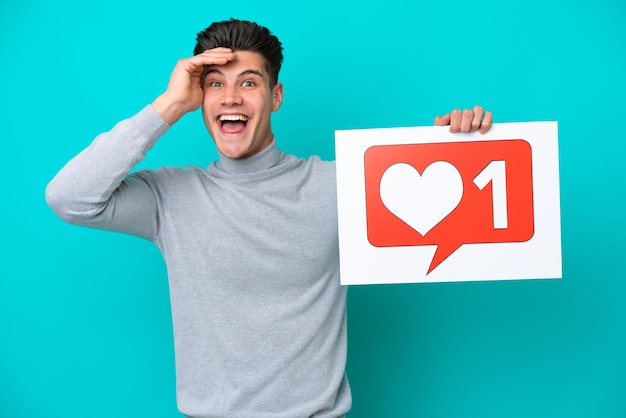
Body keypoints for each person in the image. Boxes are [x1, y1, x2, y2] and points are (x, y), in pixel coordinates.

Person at [46, 19, 492, 418]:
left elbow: (442, 206)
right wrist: (168, 105)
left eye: (249, 83)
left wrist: (459, 148)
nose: (230, 98)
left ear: (275, 96)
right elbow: (69, 197)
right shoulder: (171, 197)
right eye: (215, 85)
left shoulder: (340, 185)